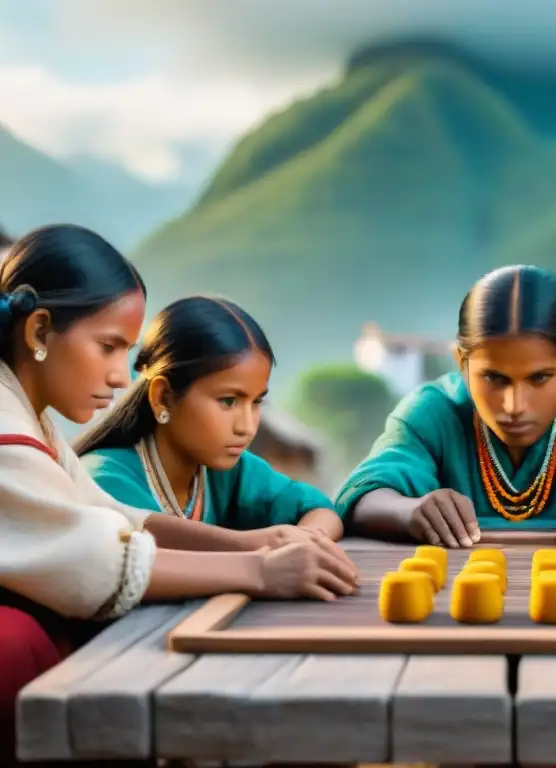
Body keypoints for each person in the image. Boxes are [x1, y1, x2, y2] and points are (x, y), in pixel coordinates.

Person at [0, 225, 358, 763]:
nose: (122, 377)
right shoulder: (9, 433)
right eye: (108, 347)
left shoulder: (34, 424)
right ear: (41, 331)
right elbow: (99, 558)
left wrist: (255, 544)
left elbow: (114, 518)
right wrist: (259, 571)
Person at [335, 264, 556, 549]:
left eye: (539, 379)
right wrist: (408, 511)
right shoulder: (433, 411)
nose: (515, 406)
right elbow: (367, 491)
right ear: (462, 363)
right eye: (493, 378)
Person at [75, 296, 344, 540]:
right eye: (228, 401)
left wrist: (308, 539)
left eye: (256, 402)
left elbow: (318, 507)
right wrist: (269, 551)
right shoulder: (104, 480)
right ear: (164, 397)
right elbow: (148, 562)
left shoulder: (227, 472)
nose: (247, 427)